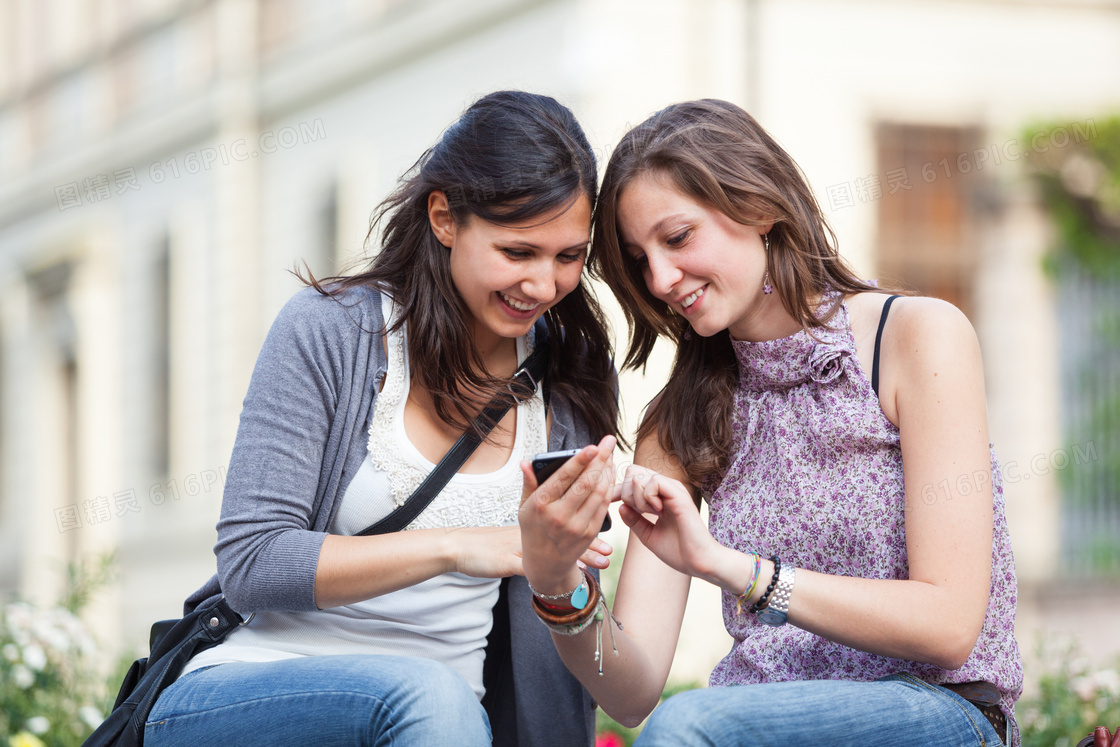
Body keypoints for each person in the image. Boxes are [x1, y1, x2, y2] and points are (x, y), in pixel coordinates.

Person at [517, 99, 1023, 746]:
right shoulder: (678, 423)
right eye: (639, 260)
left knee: (689, 723)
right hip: (755, 721)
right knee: (681, 720)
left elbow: (948, 622)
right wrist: (560, 587)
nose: (662, 278)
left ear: (758, 207)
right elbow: (633, 690)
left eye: (676, 238)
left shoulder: (915, 338)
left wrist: (730, 567)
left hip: (937, 713)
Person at [144, 90, 620, 747]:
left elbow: (570, 629)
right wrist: (460, 545)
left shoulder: (570, 375)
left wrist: (564, 572)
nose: (544, 285)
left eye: (568, 257)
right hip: (251, 690)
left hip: (442, 720)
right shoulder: (333, 333)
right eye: (518, 253)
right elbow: (253, 560)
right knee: (425, 691)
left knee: (434, 697)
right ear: (445, 218)